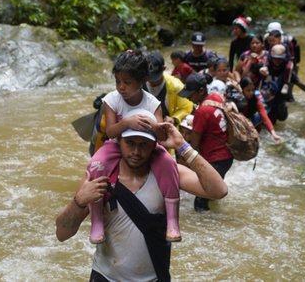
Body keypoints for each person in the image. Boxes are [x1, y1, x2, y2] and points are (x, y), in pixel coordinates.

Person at [56, 120, 228, 282]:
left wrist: (181, 146)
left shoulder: (169, 174)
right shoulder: (99, 177)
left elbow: (218, 190)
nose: (136, 152)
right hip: (105, 277)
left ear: (155, 145)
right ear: (119, 141)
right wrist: (79, 201)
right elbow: (62, 234)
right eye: (130, 142)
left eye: (144, 144)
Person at [87, 50, 181, 244]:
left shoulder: (152, 102)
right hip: (117, 144)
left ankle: (172, 221)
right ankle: (96, 221)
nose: (121, 87)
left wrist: (154, 126)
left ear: (143, 80)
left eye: (127, 82)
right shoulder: (112, 100)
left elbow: (162, 137)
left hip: (148, 145)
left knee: (169, 164)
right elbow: (111, 132)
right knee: (96, 164)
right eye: (118, 81)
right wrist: (127, 122)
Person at [178, 73, 234, 212]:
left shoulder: (202, 111)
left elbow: (195, 143)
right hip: (226, 157)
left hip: (215, 159)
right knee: (214, 191)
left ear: (201, 91)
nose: (189, 98)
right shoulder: (216, 97)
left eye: (191, 94)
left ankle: (211, 226)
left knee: (200, 200)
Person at [266, 44, 305, 124]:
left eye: (280, 59)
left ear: (285, 57)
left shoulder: (288, 72)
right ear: (271, 57)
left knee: (279, 118)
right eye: (275, 58)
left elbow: (302, 85)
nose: (277, 61)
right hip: (265, 100)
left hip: (278, 101)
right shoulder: (263, 68)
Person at [145, 52, 194, 128]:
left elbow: (187, 107)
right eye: (149, 77)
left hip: (167, 127)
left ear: (164, 68)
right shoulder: (138, 84)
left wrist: (174, 119)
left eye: (155, 77)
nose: (152, 81)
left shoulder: (176, 86)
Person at [239, 77, 283, 144]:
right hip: (240, 122)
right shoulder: (236, 99)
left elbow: (264, 117)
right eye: (248, 90)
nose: (251, 93)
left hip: (252, 123)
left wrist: (273, 134)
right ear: (242, 90)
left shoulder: (256, 100)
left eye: (253, 90)